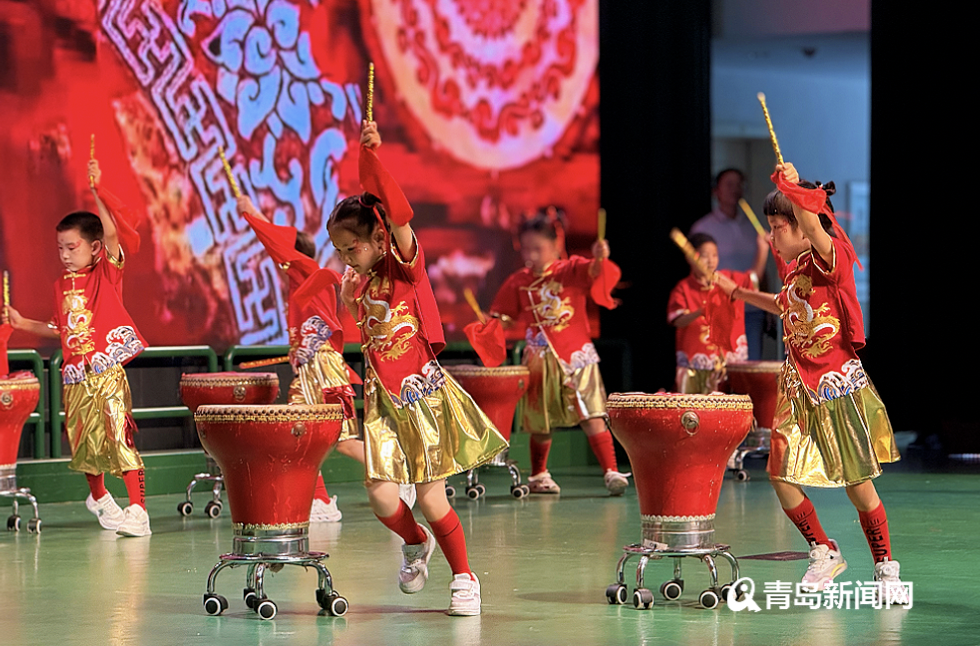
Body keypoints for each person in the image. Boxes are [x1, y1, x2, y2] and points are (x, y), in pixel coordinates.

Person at [328, 120, 508, 616]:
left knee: (431, 498)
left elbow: (399, 216)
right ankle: (416, 543)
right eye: (339, 251)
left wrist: (374, 159)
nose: (345, 258)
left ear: (378, 238)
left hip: (421, 398)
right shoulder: (362, 283)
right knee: (382, 497)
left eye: (351, 248)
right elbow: (374, 337)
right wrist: (349, 302)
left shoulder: (405, 265)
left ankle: (465, 578)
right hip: (383, 405)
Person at [715, 162, 908, 603]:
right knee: (780, 474)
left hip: (836, 386)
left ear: (803, 226)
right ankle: (823, 550)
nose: (771, 237)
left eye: (777, 227)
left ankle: (885, 567)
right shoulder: (795, 268)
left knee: (858, 485)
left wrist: (793, 186)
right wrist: (740, 293)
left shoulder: (831, 257)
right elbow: (785, 304)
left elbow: (814, 223)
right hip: (798, 389)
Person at [237, 197, 416, 523]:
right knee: (298, 435)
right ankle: (320, 501)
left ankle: (397, 472)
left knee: (343, 440)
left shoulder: (306, 271)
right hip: (308, 368)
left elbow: (276, 241)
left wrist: (251, 212)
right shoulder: (302, 278)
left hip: (323, 368)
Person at [6, 158, 151, 537]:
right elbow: (61, 330)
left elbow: (113, 232)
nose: (66, 255)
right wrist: (22, 323)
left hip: (106, 375)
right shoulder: (61, 285)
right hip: (75, 378)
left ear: (95, 247)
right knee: (85, 445)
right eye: (60, 248)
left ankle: (138, 510)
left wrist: (97, 190)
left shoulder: (106, 273)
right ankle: (100, 498)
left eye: (72, 247)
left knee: (119, 437)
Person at [488, 208, 629, 496]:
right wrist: (490, 324)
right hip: (538, 360)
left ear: (555, 245)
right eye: (526, 248)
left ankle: (611, 471)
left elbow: (595, 272)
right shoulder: (518, 281)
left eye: (538, 248)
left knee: (592, 414)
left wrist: (600, 257)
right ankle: (539, 475)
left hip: (575, 355)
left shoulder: (569, 270)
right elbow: (503, 316)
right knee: (541, 422)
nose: (531, 254)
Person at [668, 231, 767, 393]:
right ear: (690, 257)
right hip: (695, 367)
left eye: (714, 255)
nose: (711, 260)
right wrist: (701, 311)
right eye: (705, 255)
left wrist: (763, 249)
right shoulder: (683, 288)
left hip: (729, 365)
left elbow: (754, 279)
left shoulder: (728, 281)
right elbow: (677, 320)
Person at [691, 168, 768, 359]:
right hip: (720, 311)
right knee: (721, 367)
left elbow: (761, 274)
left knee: (751, 367)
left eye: (739, 184)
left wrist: (767, 310)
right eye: (729, 184)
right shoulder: (702, 228)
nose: (736, 189)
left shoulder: (753, 227)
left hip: (751, 310)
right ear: (715, 191)